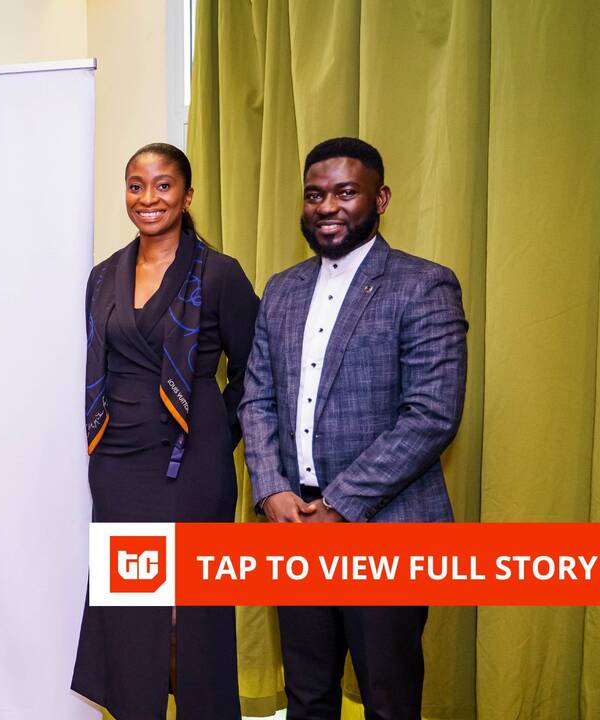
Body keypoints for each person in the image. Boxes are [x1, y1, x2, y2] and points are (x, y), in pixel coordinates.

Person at [239, 137, 468, 719]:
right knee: (307, 698)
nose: (327, 207)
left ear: (380, 198)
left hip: (385, 529)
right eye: (315, 195)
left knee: (388, 702)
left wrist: (339, 506)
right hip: (294, 525)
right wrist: (271, 489)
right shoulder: (281, 289)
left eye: (345, 193)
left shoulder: (424, 284)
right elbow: (257, 398)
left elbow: (432, 414)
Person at [72, 143, 258, 718]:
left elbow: (256, 372)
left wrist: (214, 433)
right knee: (131, 609)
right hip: (118, 464)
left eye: (163, 185)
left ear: (187, 194)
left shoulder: (220, 274)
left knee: (189, 611)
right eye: (136, 185)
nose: (147, 198)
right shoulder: (103, 276)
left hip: (191, 464)